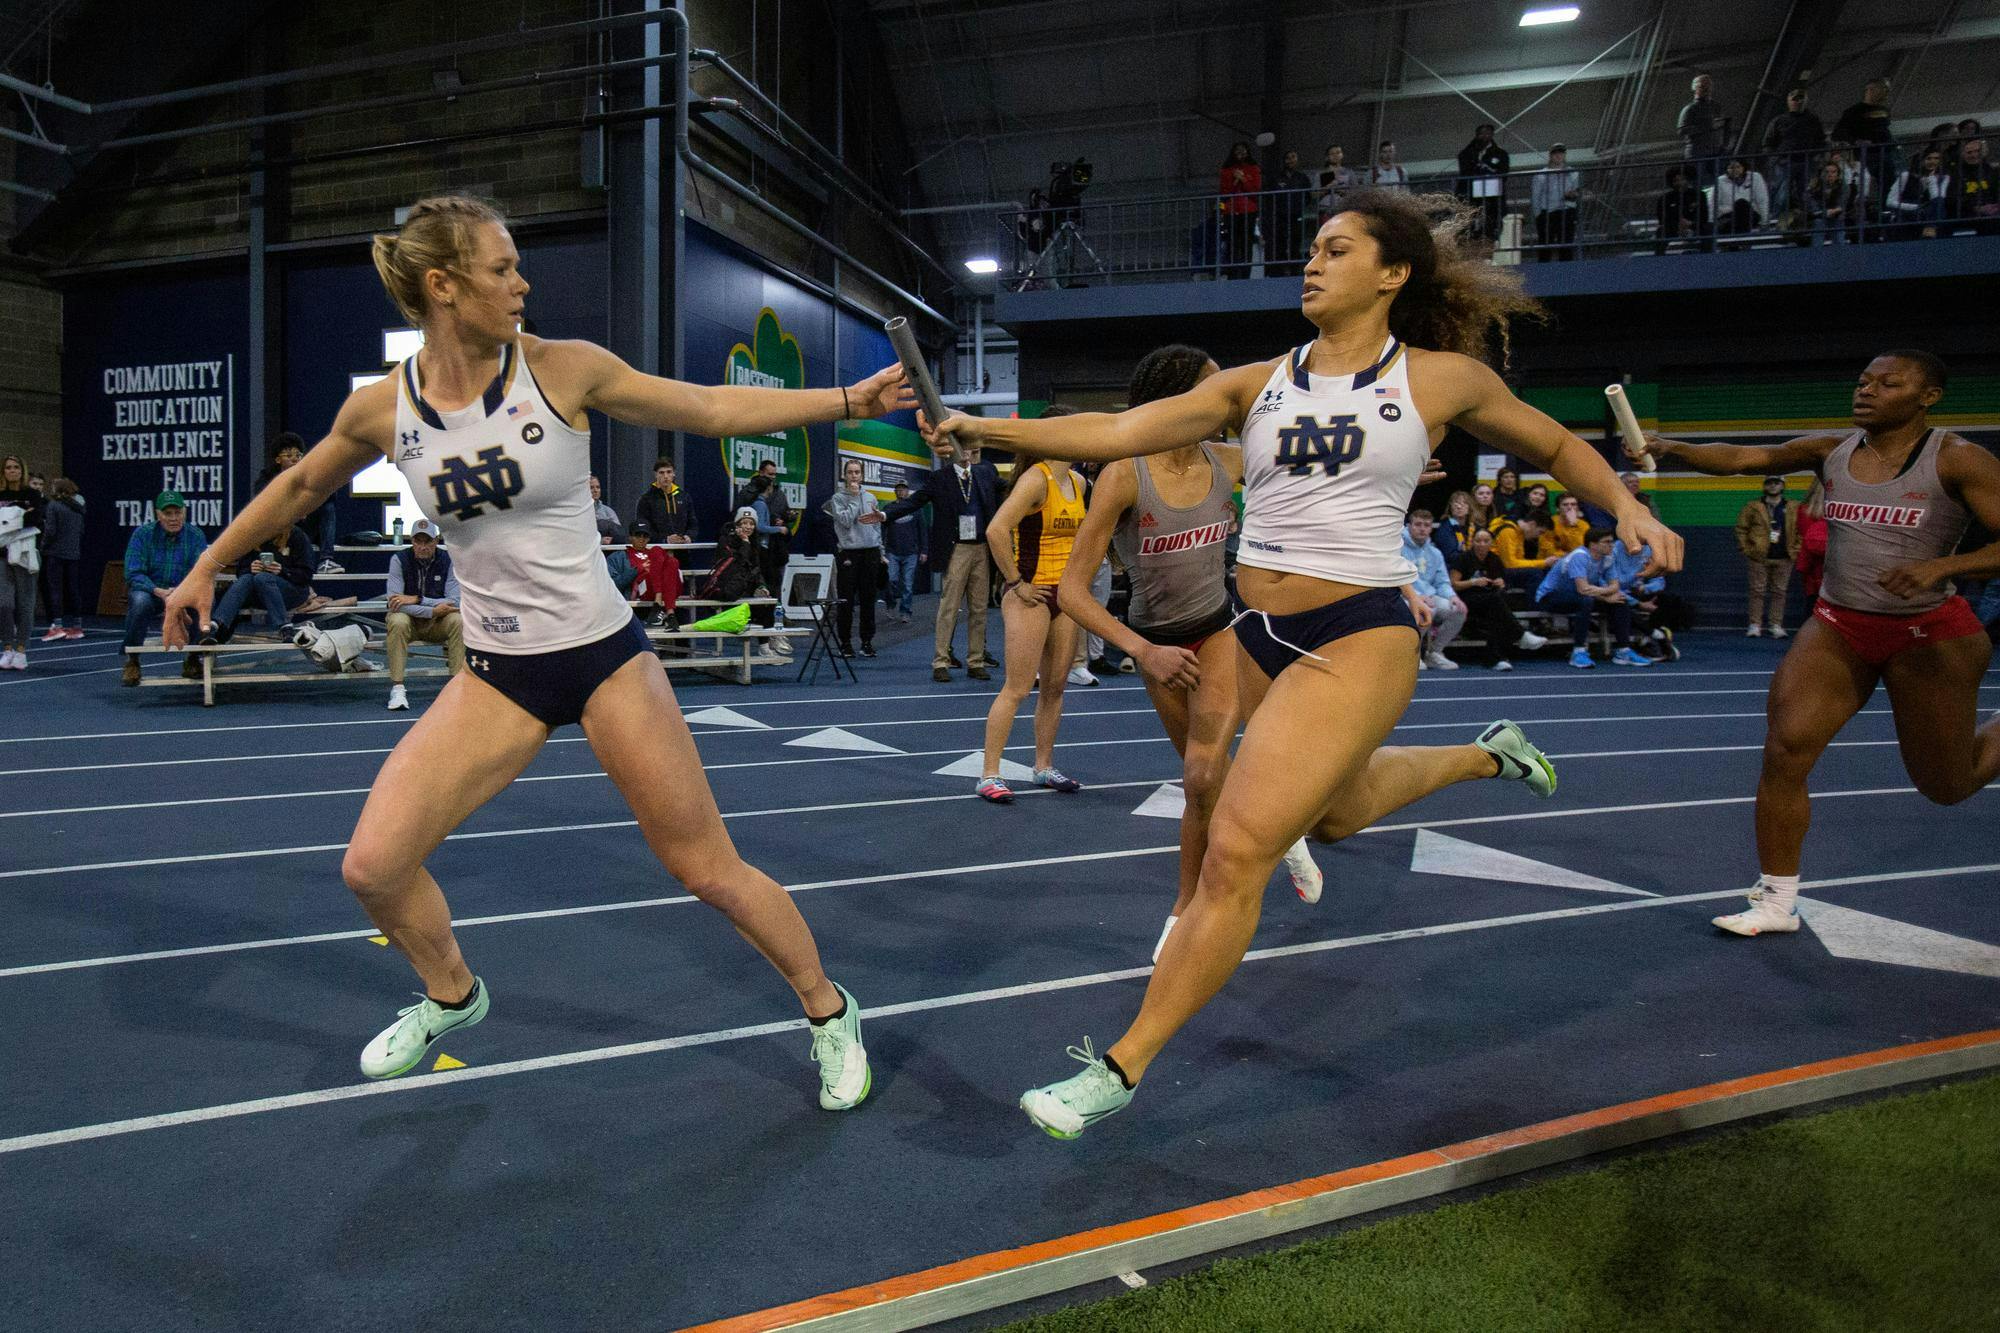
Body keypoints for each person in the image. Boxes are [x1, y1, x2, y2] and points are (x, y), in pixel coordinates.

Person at [928, 187, 1681, 1136]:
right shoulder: (1256, 382)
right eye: (1311, 250)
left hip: (1359, 631)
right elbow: (1118, 433)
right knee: (1335, 815)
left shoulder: (1442, 380)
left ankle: (1121, 1066)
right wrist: (988, 428)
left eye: (1335, 249)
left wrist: (1635, 510)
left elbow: (1560, 443)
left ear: (1392, 272)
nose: (1311, 264)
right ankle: (1488, 753)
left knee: (1238, 842)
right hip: (1258, 630)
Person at [159, 195, 913, 1101]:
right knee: (373, 866)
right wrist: (206, 564)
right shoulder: (380, 411)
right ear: (443, 287)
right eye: (501, 269)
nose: (522, 285)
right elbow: (297, 490)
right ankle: (451, 994)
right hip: (499, 674)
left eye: (519, 266)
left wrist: (844, 399)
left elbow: (708, 406)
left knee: (703, 865)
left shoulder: (563, 369)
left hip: (604, 659)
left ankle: (829, 1010)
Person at [1630, 349, 1998, 937]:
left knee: (1946, 786)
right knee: (1785, 749)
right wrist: (1674, 449)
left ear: (1928, 397)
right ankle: (1777, 900)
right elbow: (1746, 457)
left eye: (1888, 383)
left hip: (1929, 633)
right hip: (1838, 625)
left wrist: (1940, 568)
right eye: (1863, 381)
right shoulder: (1833, 449)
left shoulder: (1959, 460)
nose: (1867, 391)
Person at [1056, 344, 1327, 955]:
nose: (1223, 400)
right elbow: (1073, 592)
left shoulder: (1231, 460)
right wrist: (1140, 651)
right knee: (1207, 783)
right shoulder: (1125, 474)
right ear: (1177, 399)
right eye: (1210, 388)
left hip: (1221, 628)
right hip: (1158, 643)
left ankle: (1184, 912)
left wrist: (1395, 470)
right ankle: (1282, 834)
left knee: (1202, 772)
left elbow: (1317, 464)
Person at [976, 411, 1089, 802]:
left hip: (1066, 597)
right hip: (1031, 595)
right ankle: (990, 773)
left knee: (1055, 687)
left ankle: (1043, 766)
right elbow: (995, 529)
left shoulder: (1077, 481)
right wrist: (1015, 583)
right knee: (1018, 687)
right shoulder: (1035, 479)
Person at [881, 440, 1003, 682]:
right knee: (949, 607)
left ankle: (976, 661)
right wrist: (885, 514)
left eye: (969, 447)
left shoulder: (985, 473)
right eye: (962, 447)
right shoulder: (941, 478)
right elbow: (913, 502)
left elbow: (1011, 487)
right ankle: (940, 662)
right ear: (951, 451)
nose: (967, 451)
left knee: (979, 608)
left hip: (981, 548)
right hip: (956, 549)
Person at [120, 490, 207, 686]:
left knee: (204, 601)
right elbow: (133, 573)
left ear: (184, 512)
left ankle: (193, 658)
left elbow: (201, 572)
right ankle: (132, 659)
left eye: (178, 513)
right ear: (158, 514)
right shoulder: (142, 535)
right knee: (140, 602)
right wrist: (158, 591)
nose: (174, 518)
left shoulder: (195, 536)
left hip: (183, 590)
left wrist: (181, 592)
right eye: (168, 514)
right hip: (152, 591)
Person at [1536, 526, 1654, 669]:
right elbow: (1583, 588)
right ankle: (1578, 651)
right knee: (1586, 601)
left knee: (1619, 600)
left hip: (1582, 595)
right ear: (1593, 544)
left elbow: (1615, 586)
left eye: (1612, 541)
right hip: (1551, 596)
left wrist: (1608, 594)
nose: (1612, 545)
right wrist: (1605, 597)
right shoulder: (1580, 556)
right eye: (1607, 542)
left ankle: (1624, 651)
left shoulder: (1608, 558)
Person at [383, 517, 466, 711]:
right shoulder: (399, 560)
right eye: (417, 541)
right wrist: (432, 610)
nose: (422, 546)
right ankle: (397, 688)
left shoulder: (449, 561)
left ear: (436, 541)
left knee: (458, 619)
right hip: (411, 623)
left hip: (437, 623)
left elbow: (455, 601)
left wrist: (418, 599)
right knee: (397, 620)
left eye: (427, 541)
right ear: (411, 541)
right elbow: (395, 603)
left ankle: (455, 688)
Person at [203, 518, 316, 642]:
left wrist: (282, 571)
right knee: (247, 578)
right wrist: (251, 568)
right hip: (260, 593)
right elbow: (240, 571)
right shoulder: (253, 535)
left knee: (263, 578)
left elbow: (306, 575)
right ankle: (215, 625)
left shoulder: (296, 535)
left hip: (292, 592)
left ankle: (284, 627)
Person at [1450, 527, 1547, 670]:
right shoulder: (1463, 558)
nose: (1482, 544)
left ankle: (1495, 659)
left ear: (1491, 543)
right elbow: (1453, 584)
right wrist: (1473, 582)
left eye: (1486, 541)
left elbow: (1500, 581)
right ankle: (1520, 636)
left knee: (1497, 607)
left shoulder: (1494, 559)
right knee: (1496, 603)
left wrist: (1501, 583)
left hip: (1489, 600)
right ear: (1473, 542)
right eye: (1478, 541)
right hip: (1466, 598)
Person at [824, 457, 885, 658]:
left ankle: (867, 641)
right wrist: (852, 498)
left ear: (862, 475)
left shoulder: (871, 498)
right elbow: (845, 521)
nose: (853, 476)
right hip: (849, 553)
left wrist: (881, 552)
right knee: (846, 601)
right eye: (850, 472)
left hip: (871, 552)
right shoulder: (837, 498)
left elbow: (877, 525)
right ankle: (846, 643)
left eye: (857, 472)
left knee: (869, 599)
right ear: (844, 475)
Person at [1737, 475, 1800, 637]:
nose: (1773, 486)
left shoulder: (1793, 507)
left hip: (1784, 556)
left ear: (1783, 486)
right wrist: (1747, 549)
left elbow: (1800, 529)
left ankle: (1776, 625)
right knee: (1757, 591)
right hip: (1759, 556)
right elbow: (1741, 528)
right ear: (1764, 486)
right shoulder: (1753, 506)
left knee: (1780, 592)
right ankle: (1755, 625)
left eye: (1776, 483)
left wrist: (1796, 548)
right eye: (1769, 483)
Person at [1403, 509, 1466, 669]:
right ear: (1409, 526)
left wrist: (1453, 597)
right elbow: (1396, 580)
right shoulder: (1398, 548)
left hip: (1430, 596)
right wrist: (1416, 597)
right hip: (1404, 596)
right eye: (1418, 524)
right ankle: (1411, 654)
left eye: (1426, 525)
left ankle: (1435, 652)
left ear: (1431, 528)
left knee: (1458, 610)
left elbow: (1442, 582)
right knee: (1426, 610)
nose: (1422, 529)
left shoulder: (1435, 553)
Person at [1762, 87, 1827, 220]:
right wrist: (1775, 159)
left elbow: (1821, 140)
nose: (1797, 102)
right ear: (1789, 101)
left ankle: (1810, 220)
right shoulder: (1779, 120)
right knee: (1781, 193)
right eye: (1794, 99)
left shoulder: (1813, 120)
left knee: (1806, 193)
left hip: (1807, 161)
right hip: (1784, 162)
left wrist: (1817, 157)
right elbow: (1768, 143)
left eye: (1800, 99)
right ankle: (1775, 219)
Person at [0, 455, 38, 669]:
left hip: (25, 554)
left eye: (16, 467)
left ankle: (21, 649)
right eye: (8, 468)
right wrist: (20, 515)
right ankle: (6, 647)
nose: (12, 471)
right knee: (4, 604)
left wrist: (7, 520)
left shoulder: (32, 494)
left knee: (25, 604)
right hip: (2, 555)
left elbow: (36, 519)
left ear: (22, 471)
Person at [37, 478, 85, 641]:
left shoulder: (53, 506)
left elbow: (50, 530)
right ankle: (77, 627)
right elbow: (81, 530)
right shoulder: (78, 508)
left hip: (55, 553)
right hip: (73, 553)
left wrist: (43, 547)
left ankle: (57, 626)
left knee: (55, 589)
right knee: (73, 589)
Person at [881, 479, 927, 623]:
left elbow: (922, 531)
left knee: (908, 584)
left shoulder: (916, 509)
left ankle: (905, 612)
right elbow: (881, 530)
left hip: (911, 553)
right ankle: (891, 603)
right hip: (892, 551)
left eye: (903, 489)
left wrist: (924, 550)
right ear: (895, 492)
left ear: (908, 491)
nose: (901, 491)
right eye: (898, 489)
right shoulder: (888, 508)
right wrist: (880, 550)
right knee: (890, 579)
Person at [623, 521, 683, 627]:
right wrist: (639, 569)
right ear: (630, 537)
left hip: (669, 587)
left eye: (645, 536)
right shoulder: (621, 555)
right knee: (663, 555)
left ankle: (658, 602)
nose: (642, 539)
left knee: (671, 561)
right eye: (638, 535)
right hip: (645, 588)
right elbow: (616, 581)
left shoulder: (655, 554)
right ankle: (670, 614)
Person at [1455, 124, 1510, 242]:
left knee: (1491, 226)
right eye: (1481, 134)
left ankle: (1490, 248)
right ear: (1476, 135)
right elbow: (1464, 170)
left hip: (1493, 199)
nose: (1484, 136)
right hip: (1471, 197)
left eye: (1488, 133)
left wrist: (1488, 170)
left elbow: (1504, 173)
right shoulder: (1468, 152)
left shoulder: (1500, 153)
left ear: (1492, 135)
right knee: (1471, 226)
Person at [1219, 141, 1262, 279]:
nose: (1240, 152)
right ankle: (1232, 274)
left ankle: (1245, 275)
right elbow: (1225, 193)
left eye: (1243, 150)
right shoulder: (1226, 171)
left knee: (1246, 244)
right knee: (1232, 243)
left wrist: (1242, 179)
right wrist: (1235, 180)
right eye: (1237, 150)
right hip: (1230, 211)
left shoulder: (1253, 168)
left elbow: (1255, 191)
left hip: (1248, 211)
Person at [1489, 508, 1560, 593]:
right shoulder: (1508, 531)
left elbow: (1519, 560)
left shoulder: (1520, 532)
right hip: (1495, 571)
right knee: (1535, 573)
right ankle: (1535, 605)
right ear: (1532, 524)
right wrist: (1543, 562)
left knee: (1548, 570)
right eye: (1540, 532)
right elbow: (1510, 564)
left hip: (1505, 568)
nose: (1538, 536)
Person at [1530, 145, 1581, 261]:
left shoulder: (1573, 173)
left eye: (1561, 152)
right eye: (1555, 153)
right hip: (1547, 214)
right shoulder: (1541, 175)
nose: (1558, 155)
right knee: (1545, 246)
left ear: (1564, 155)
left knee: (1566, 246)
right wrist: (1538, 216)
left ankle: (1567, 273)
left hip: (1567, 212)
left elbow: (1576, 192)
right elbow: (1535, 197)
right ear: (1551, 156)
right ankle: (1544, 273)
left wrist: (1573, 196)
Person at [1885, 151, 1950, 238]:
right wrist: (1915, 207)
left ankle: (1930, 228)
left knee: (1938, 203)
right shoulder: (1906, 176)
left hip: (1928, 213)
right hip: (1907, 210)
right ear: (1921, 160)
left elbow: (1939, 198)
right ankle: (1930, 228)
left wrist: (1932, 180)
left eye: (1936, 158)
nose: (1933, 162)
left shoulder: (1944, 177)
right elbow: (1890, 201)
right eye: (1929, 158)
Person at [1678, 74, 1727, 186]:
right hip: (1697, 153)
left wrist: (1723, 145)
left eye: (1708, 86)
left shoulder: (1716, 106)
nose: (1706, 89)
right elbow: (1682, 130)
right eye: (1702, 86)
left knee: (1719, 183)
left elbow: (1722, 125)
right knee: (1697, 183)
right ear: (1695, 88)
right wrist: (1705, 127)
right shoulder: (1690, 109)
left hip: (1715, 152)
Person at [633, 458, 694, 544]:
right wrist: (665, 540)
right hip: (657, 550)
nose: (665, 476)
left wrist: (689, 536)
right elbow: (643, 527)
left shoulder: (684, 497)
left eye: (669, 472)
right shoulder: (646, 499)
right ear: (655, 475)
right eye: (661, 473)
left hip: (682, 549)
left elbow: (692, 523)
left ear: (674, 474)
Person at [1712, 157, 1770, 246]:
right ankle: (1741, 243)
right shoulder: (1720, 181)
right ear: (1727, 169)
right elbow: (1714, 203)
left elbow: (1762, 200)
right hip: (1729, 215)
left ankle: (1737, 243)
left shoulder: (1755, 177)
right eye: (1731, 168)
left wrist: (1764, 222)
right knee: (1732, 219)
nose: (1734, 170)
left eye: (1738, 167)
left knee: (1741, 203)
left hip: (1750, 214)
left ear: (1744, 167)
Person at [1951, 138, 1999, 235]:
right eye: (1969, 152)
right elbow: (1953, 198)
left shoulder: (1991, 170)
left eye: (1977, 151)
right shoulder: (1955, 172)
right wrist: (1977, 208)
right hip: (1967, 213)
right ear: (1963, 154)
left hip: (1993, 209)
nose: (1974, 155)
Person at [1655, 167, 1706, 254]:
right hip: (1673, 228)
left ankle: (1708, 254)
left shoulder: (1700, 195)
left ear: (1688, 180)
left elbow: (1704, 216)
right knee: (1661, 232)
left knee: (1708, 228)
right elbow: (1662, 219)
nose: (1679, 183)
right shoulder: (1664, 198)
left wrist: (1691, 224)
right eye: (1675, 180)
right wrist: (1678, 225)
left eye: (1682, 179)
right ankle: (1659, 259)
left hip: (1695, 227)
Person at [1804, 159, 1856, 245]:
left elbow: (1841, 205)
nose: (1830, 174)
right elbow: (1809, 199)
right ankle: (1817, 253)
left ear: (1838, 174)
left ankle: (1839, 252)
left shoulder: (1844, 186)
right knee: (1818, 223)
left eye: (1833, 172)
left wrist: (1833, 211)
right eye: (1827, 172)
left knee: (1838, 226)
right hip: (1820, 215)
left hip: (1837, 215)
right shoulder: (1816, 185)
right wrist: (1822, 212)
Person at [1317, 145, 1358, 223]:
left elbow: (1356, 192)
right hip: (1326, 209)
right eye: (1332, 154)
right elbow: (1314, 194)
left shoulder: (1349, 172)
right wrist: (1328, 188)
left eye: (1338, 153)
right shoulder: (1321, 173)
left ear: (1342, 155)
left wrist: (1342, 191)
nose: (1335, 155)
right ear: (1327, 157)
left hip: (1344, 209)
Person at [1435, 489, 1476, 563]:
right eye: (1456, 503)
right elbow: (1451, 556)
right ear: (1450, 507)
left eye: (1464, 503)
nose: (1459, 507)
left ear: (1469, 508)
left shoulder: (1473, 527)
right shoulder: (1444, 529)